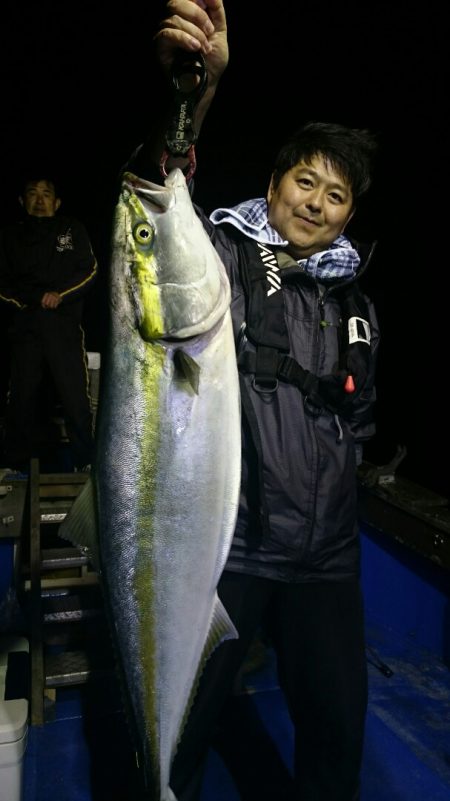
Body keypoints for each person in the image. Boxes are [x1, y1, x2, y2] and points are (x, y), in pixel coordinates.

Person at [129, 2, 380, 799]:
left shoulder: (358, 307)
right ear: (272, 186)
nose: (315, 202)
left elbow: (357, 420)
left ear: (348, 214)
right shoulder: (221, 258)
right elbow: (158, 189)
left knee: (337, 733)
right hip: (232, 548)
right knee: (184, 730)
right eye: (303, 180)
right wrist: (193, 93)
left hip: (329, 557)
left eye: (335, 194)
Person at [0, 174, 98, 472]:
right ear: (22, 201)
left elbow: (89, 270)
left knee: (75, 399)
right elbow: (3, 284)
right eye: (32, 193)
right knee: (21, 398)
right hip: (25, 326)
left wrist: (60, 295)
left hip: (64, 326)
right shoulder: (8, 236)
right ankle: (14, 467)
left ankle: (86, 465)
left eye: (46, 194)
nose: (39, 200)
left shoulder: (71, 229)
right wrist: (33, 299)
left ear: (56, 202)